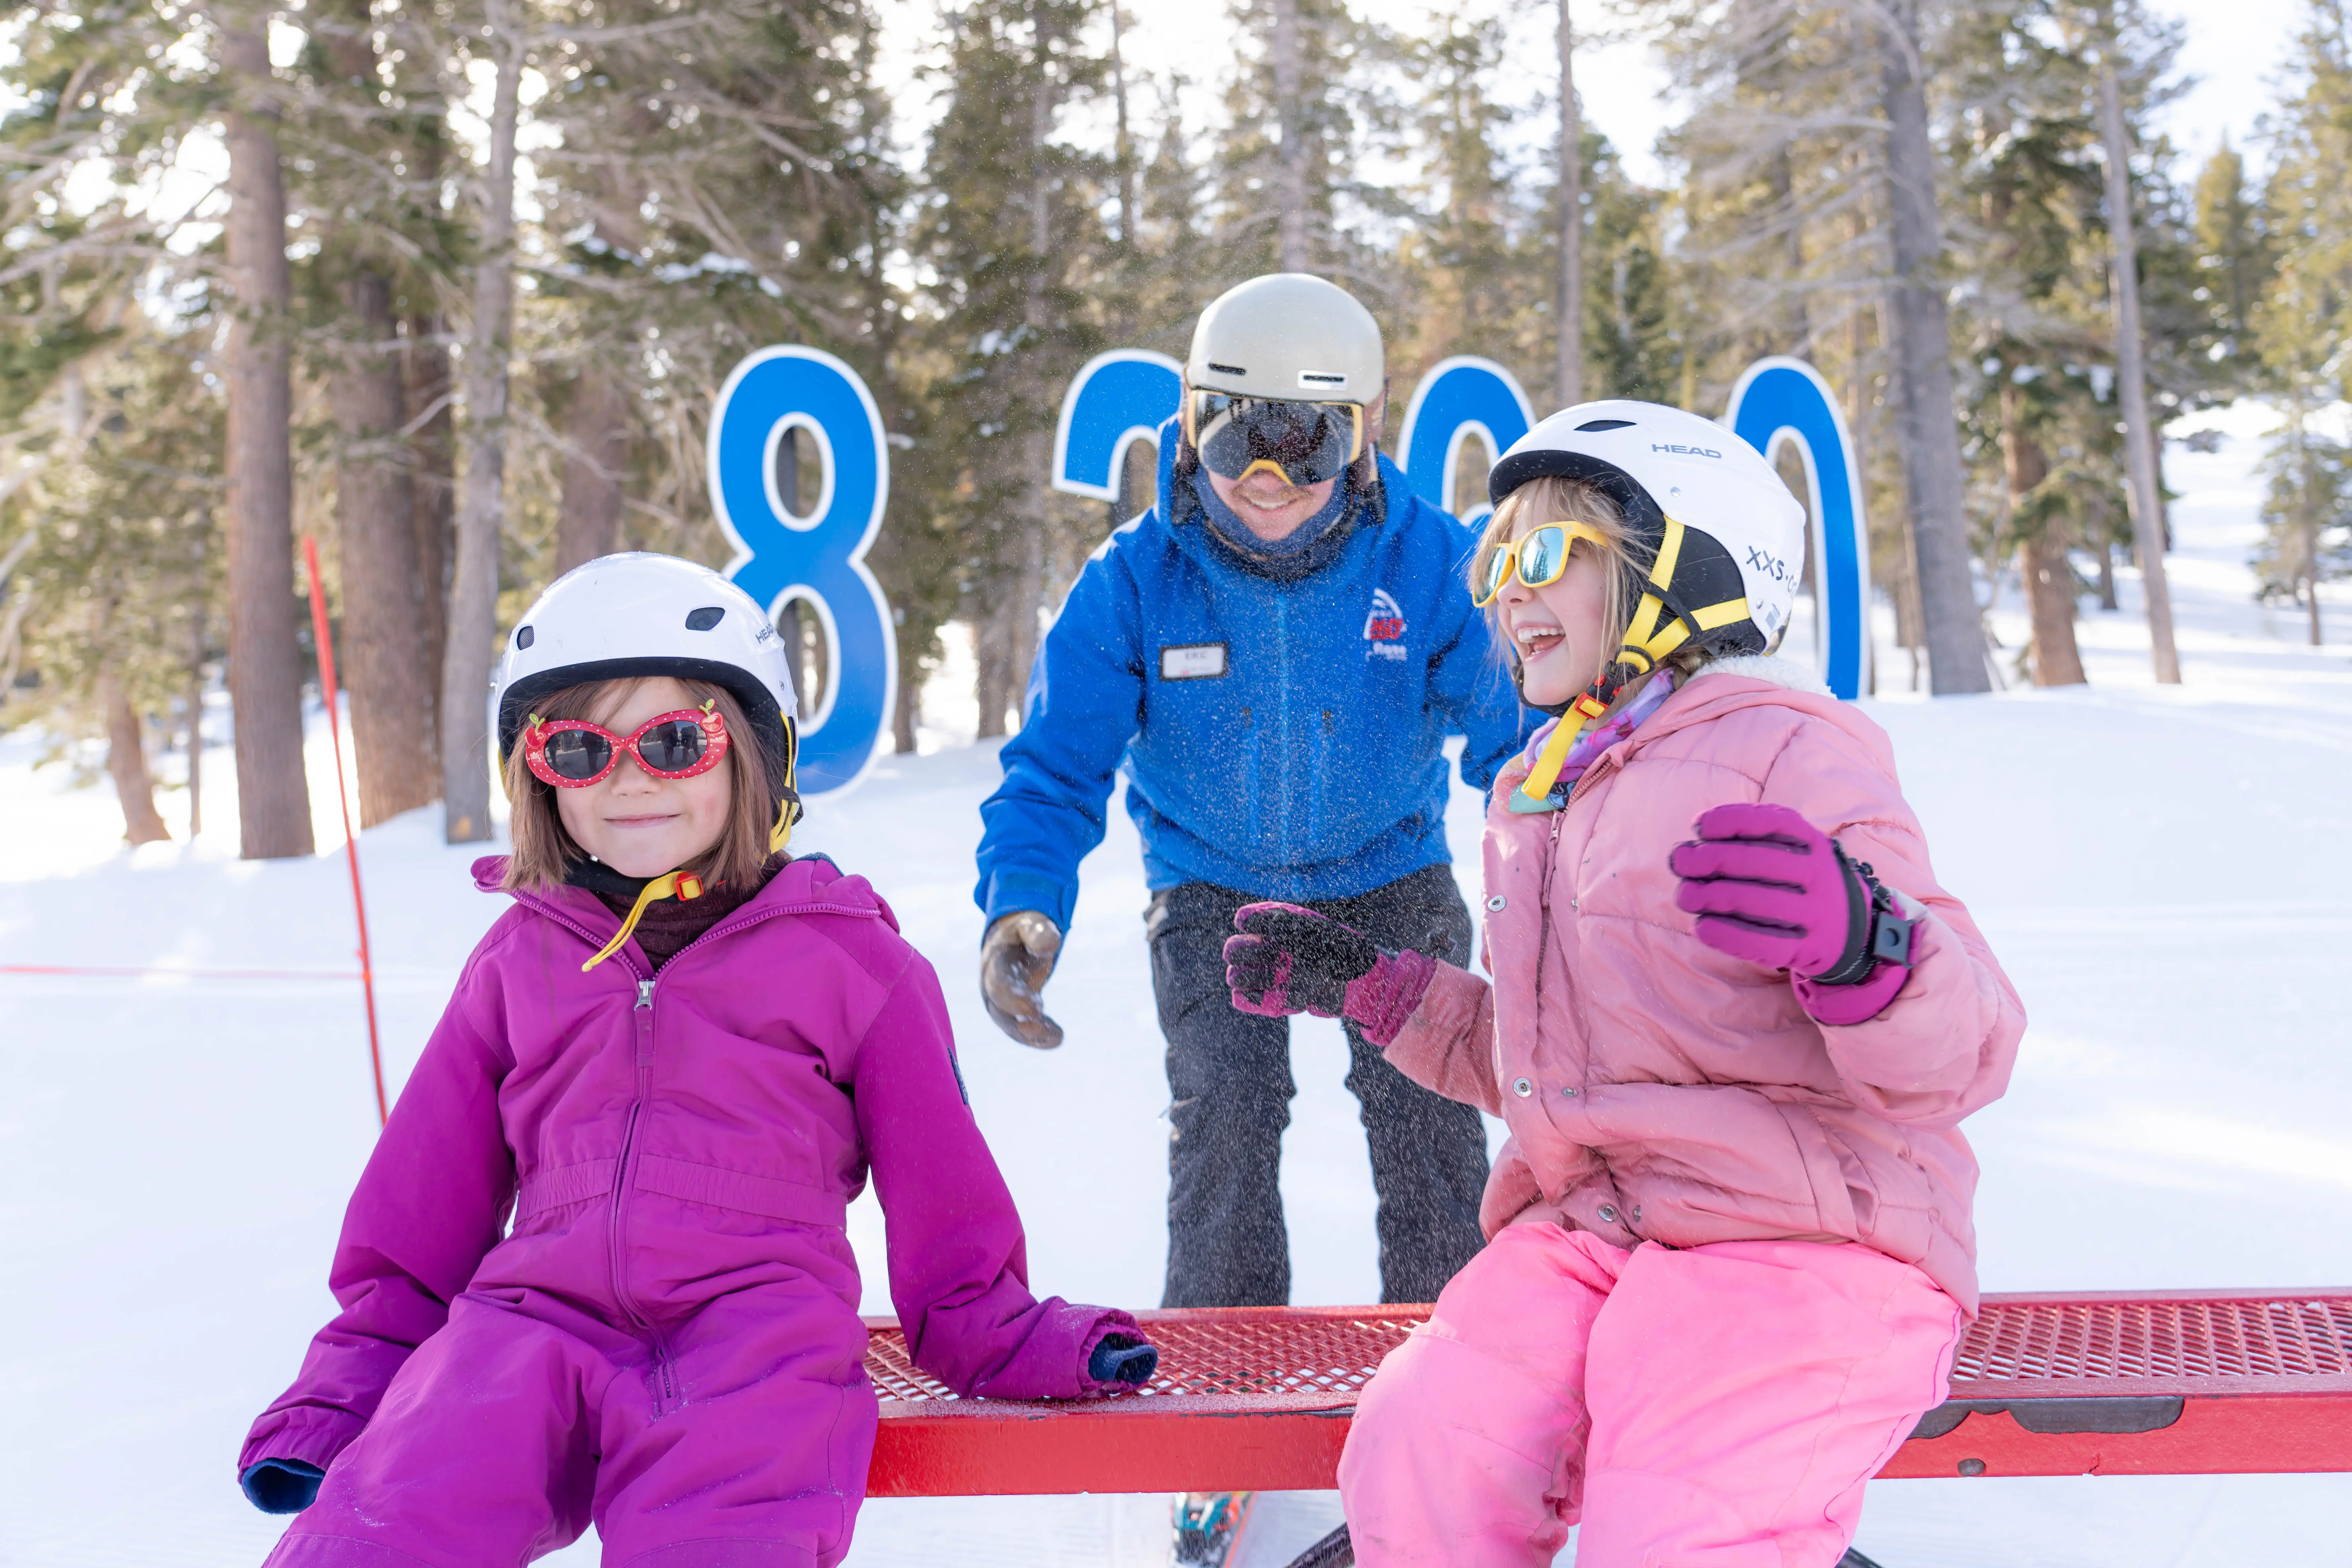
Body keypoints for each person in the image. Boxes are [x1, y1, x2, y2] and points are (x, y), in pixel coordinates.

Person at [1223, 401, 2025, 1567]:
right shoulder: (1545, 789)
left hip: (1803, 1241)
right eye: (1495, 562)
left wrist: (1864, 945)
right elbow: (1570, 1058)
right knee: (1424, 1441)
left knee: (1678, 1523)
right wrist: (1388, 992)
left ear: (1682, 569)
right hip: (1598, 1239)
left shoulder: (1790, 747)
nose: (1505, 593)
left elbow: (1972, 1051)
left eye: (1544, 556)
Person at [235, 553, 1157, 1567]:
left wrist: (1013, 1336)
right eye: (581, 750)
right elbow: (420, 1217)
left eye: (675, 740)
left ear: (752, 756)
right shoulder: (519, 960)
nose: (628, 778)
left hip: (753, 1345)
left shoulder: (855, 963)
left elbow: (948, 1205)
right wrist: (346, 1396)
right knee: (381, 1536)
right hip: (526, 1333)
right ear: (538, 777)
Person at [973, 273, 1534, 1315]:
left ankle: (1458, 1351)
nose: (1269, 479)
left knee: (1429, 1115)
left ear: (1360, 437)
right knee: (1225, 1118)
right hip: (1210, 883)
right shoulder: (1134, 581)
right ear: (1190, 427)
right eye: (1239, 440)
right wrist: (1022, 899)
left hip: (1390, 871)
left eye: (1306, 445)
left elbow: (1521, 745)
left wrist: (1580, 872)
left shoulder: (1430, 565)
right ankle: (1220, 1384)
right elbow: (1054, 767)